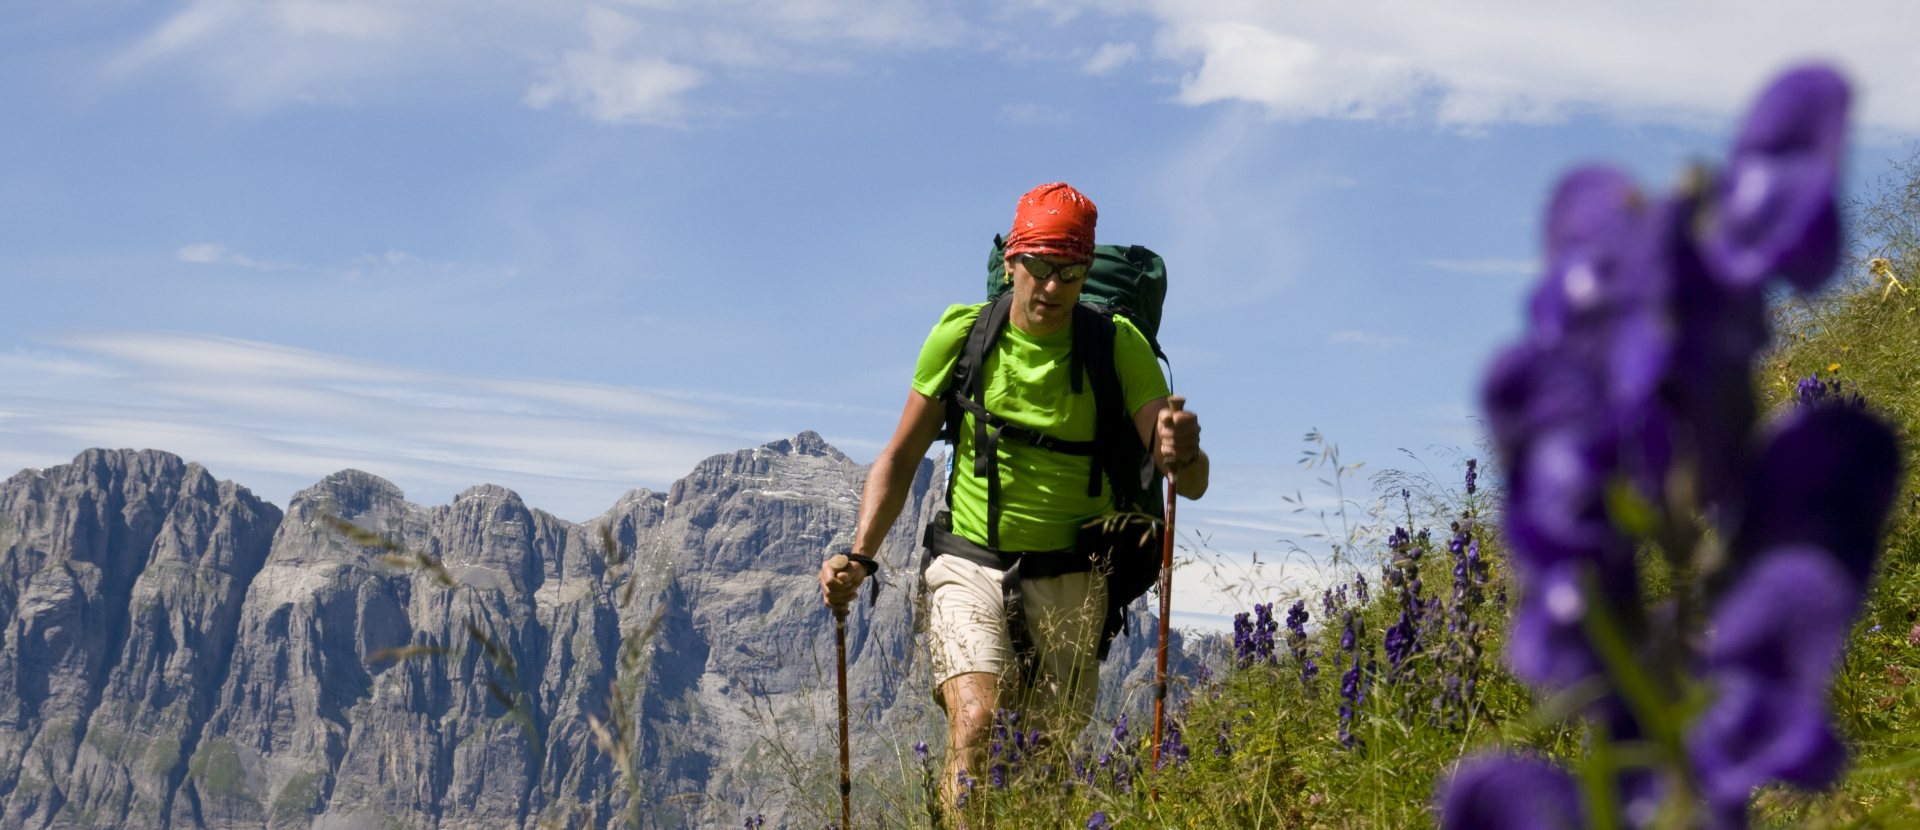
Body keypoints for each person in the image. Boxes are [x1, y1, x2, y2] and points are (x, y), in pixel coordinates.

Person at [817, 182, 1207, 813]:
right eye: (1042, 268)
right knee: (975, 724)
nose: (1054, 289)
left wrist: (1182, 452)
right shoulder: (963, 336)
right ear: (1012, 262)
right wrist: (860, 556)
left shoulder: (1119, 347)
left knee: (1039, 775)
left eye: (1072, 274)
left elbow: (1185, 482)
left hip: (1076, 581)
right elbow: (900, 455)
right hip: (969, 560)